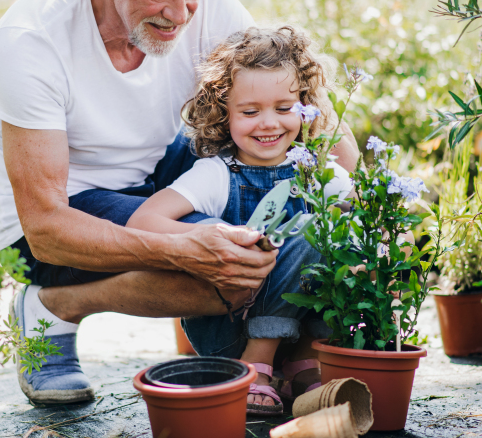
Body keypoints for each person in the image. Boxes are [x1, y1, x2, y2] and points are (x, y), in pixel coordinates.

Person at [0, 0, 359, 405]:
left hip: (159, 179)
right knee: (222, 271)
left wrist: (341, 173)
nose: (180, 13)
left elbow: (294, 107)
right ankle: (54, 307)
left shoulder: (214, 10)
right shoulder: (32, 41)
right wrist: (183, 248)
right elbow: (45, 227)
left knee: (261, 246)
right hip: (62, 212)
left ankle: (289, 356)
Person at [128, 25, 352, 414]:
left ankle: (300, 364)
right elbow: (143, 221)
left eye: (284, 108)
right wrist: (208, 233)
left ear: (304, 106)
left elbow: (359, 208)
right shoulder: (217, 174)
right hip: (227, 330)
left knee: (339, 238)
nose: (269, 123)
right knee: (310, 234)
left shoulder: (315, 170)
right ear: (222, 112)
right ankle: (256, 364)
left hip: (300, 333)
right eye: (250, 112)